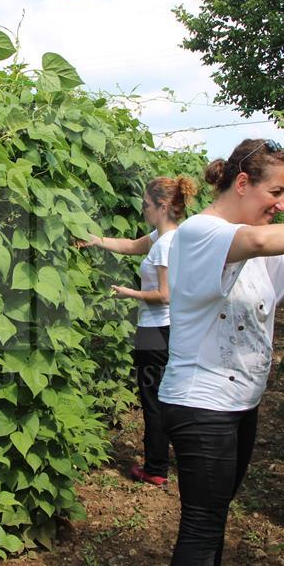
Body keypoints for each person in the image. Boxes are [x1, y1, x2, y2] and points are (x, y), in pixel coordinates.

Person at [160, 139, 284, 566]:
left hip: (238, 403)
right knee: (202, 525)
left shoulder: (251, 244)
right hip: (201, 402)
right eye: (276, 193)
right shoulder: (201, 231)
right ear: (243, 183)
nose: (283, 205)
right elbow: (258, 241)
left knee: (214, 517)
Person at [78, 176, 197, 486]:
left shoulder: (164, 246)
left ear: (162, 206)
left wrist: (128, 293)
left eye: (145, 205)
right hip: (172, 329)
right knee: (170, 396)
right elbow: (131, 246)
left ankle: (156, 468)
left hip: (156, 330)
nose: (142, 209)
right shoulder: (168, 237)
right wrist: (96, 239)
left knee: (153, 399)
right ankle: (177, 459)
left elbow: (165, 294)